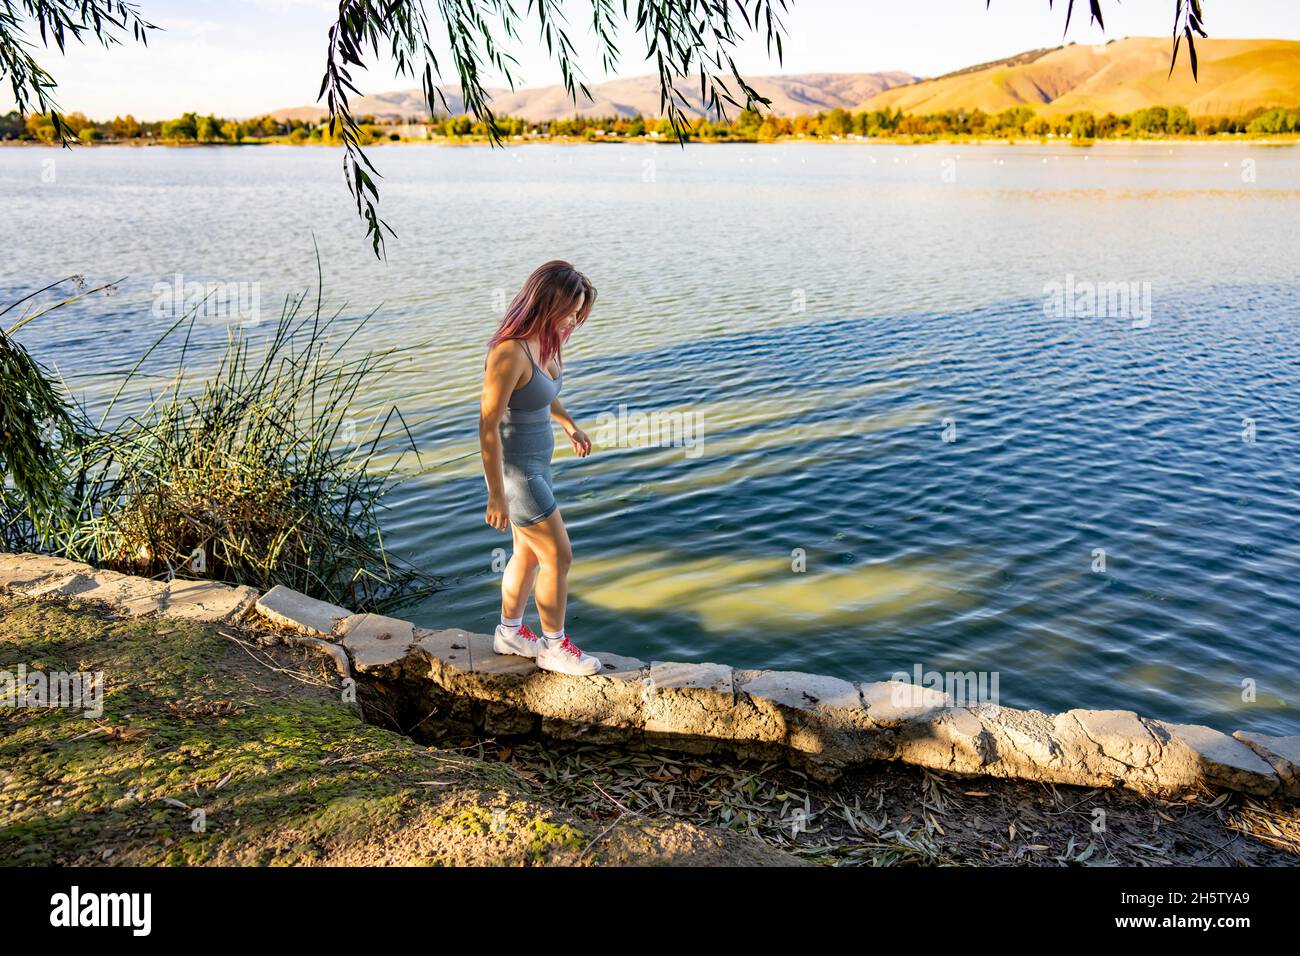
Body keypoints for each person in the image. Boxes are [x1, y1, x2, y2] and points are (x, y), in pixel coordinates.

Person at [478, 260, 601, 676]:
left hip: (538, 468)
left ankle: (509, 633)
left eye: (577, 315)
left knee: (528, 556)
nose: (572, 322)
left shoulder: (543, 343)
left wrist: (568, 423)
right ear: (547, 303)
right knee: (559, 557)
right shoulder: (509, 351)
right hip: (518, 477)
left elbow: (540, 395)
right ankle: (554, 646)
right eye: (569, 312)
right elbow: (488, 425)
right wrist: (496, 493)